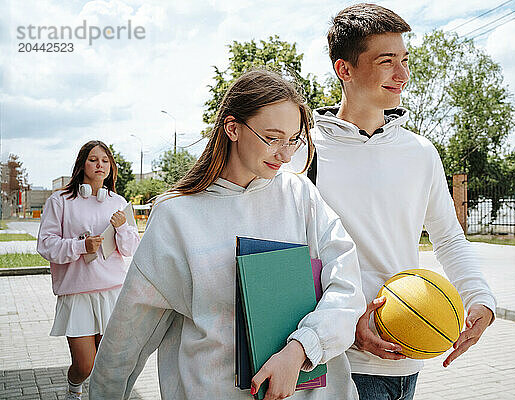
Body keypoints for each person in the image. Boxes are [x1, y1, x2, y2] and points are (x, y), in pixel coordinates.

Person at [89, 70, 366, 400]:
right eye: (272, 138)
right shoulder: (176, 216)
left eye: (293, 139)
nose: (286, 154)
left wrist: (302, 348)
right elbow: (126, 339)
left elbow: (346, 285)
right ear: (232, 127)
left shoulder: (300, 194)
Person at [290, 4, 498, 400]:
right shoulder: (303, 154)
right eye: (387, 62)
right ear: (344, 70)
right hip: (339, 363)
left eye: (405, 60)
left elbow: (449, 239)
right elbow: (286, 256)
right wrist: (342, 325)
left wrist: (480, 298)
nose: (402, 75)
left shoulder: (420, 151)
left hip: (412, 356)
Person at [37, 140, 141, 400]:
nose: (100, 165)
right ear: (82, 163)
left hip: (112, 293)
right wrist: (81, 245)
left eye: (105, 161)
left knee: (109, 365)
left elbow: (131, 249)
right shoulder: (59, 201)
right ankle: (74, 389)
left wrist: (121, 228)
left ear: (111, 167)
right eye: (94, 159)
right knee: (85, 365)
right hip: (77, 294)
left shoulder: (118, 202)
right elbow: (46, 245)